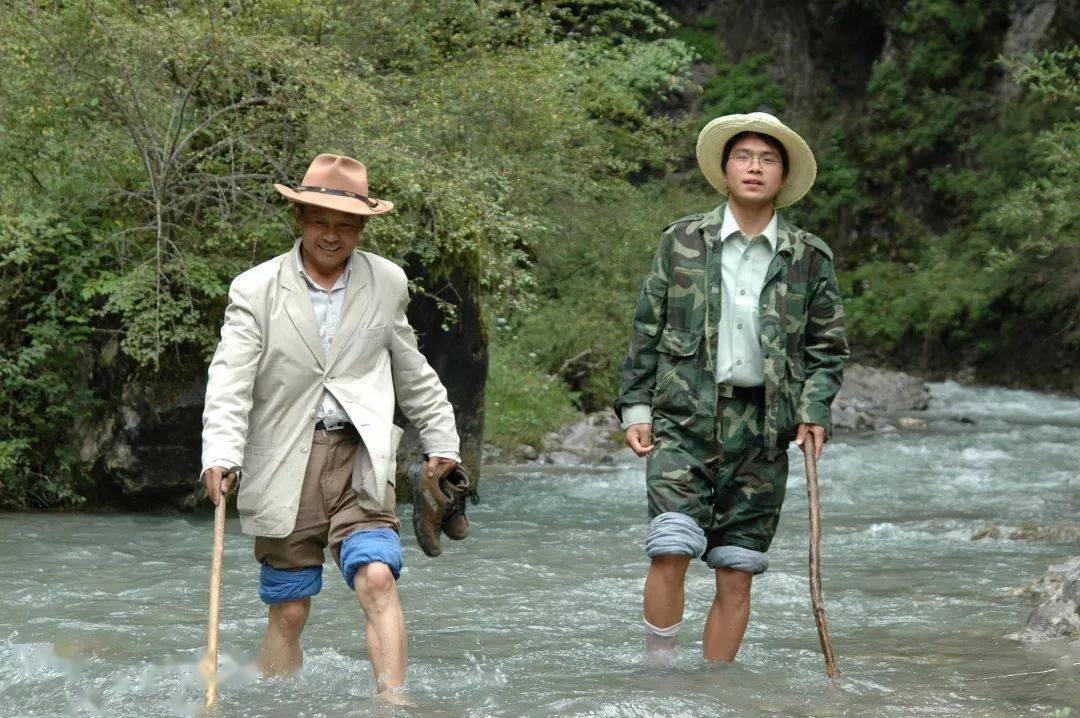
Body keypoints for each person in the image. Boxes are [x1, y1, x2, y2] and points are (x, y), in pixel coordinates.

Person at [200, 153, 460, 698]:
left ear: (362, 228)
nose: (332, 234)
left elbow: (411, 368)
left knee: (377, 576)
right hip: (281, 457)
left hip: (360, 456)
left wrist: (441, 439)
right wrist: (220, 453)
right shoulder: (255, 288)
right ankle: (278, 705)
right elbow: (230, 379)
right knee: (290, 609)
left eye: (346, 224)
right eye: (320, 220)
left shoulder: (387, 282)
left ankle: (392, 704)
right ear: (299, 219)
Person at [614, 113, 848, 663]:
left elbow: (827, 347)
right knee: (670, 548)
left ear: (782, 177)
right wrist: (635, 407)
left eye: (767, 160)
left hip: (765, 430)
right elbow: (646, 328)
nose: (754, 168)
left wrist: (814, 411)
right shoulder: (682, 241)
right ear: (725, 169)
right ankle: (661, 674)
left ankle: (713, 689)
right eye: (743, 156)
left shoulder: (808, 256)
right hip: (683, 418)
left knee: (736, 571)